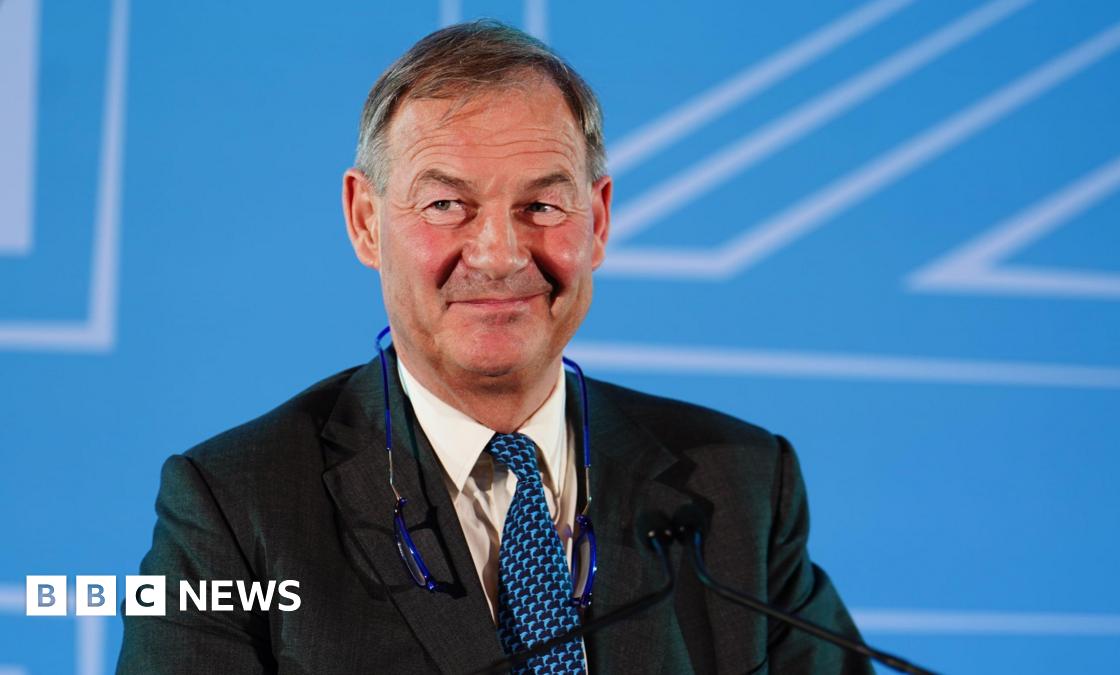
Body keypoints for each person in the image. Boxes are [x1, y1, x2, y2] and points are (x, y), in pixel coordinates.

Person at [118, 20, 871, 674]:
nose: (500, 253)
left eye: (542, 205)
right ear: (365, 221)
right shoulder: (232, 506)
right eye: (448, 204)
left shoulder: (740, 484)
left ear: (598, 220)